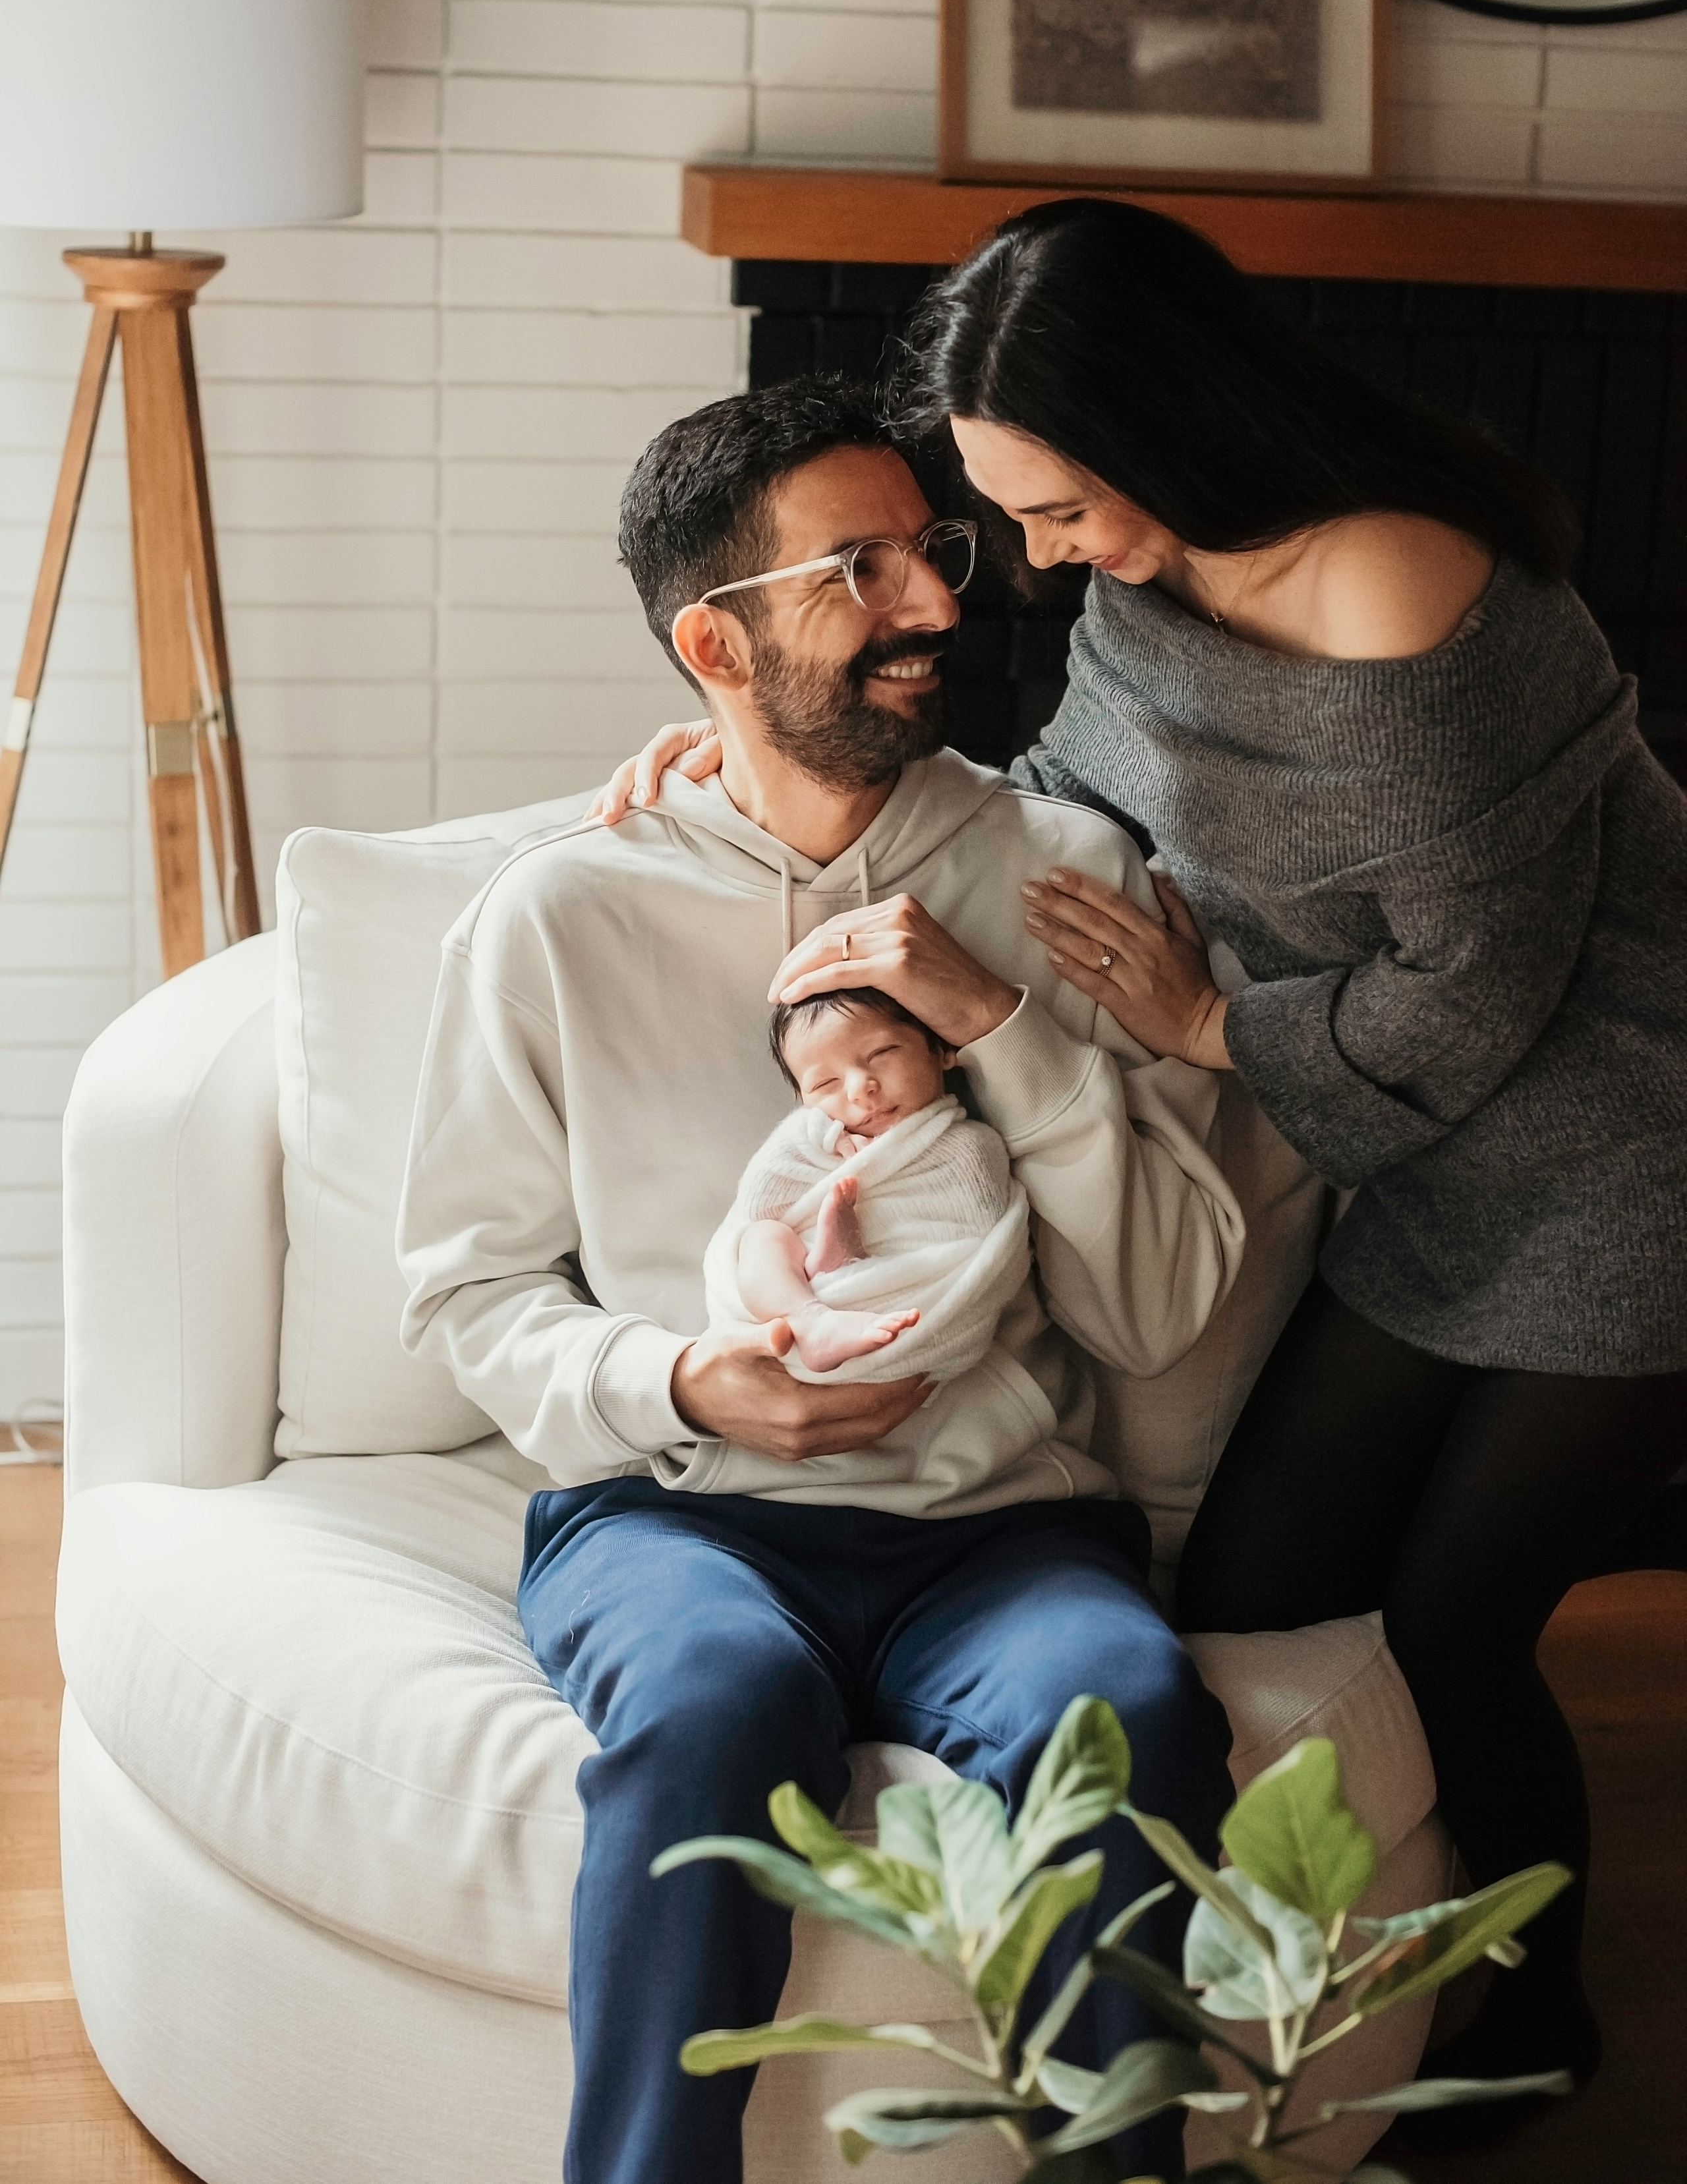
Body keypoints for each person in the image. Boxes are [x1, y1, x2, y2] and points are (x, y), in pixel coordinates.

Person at [602, 200, 1687, 2155]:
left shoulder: (1421, 607)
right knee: (1256, 1585)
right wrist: (726, 741)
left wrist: (1201, 1036)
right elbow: (1071, 793)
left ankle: (1526, 2044)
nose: (1037, 561)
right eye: (1011, 517)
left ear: (1178, 430)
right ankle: (1254, 2030)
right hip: (1420, 1177)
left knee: (1447, 1634)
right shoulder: (1153, 571)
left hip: (1623, 1159)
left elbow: (1468, 1004)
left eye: (1062, 508)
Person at [396, 374, 1247, 2184]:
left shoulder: (1066, 875)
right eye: (859, 571)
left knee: (1134, 1711)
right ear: (715, 641)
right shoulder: (560, 910)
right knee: (708, 1707)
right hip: (679, 1520)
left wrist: (1001, 1027)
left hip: (1002, 1530)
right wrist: (687, 1386)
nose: (940, 603)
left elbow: (1164, 1310)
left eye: (930, 551)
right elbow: (469, 1292)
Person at [708, 985, 1027, 1381]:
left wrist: (876, 1264)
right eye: (826, 1084)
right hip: (802, 1298)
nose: (861, 1088)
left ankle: (843, 1263)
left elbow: (982, 1231)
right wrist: (816, 1136)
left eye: (881, 1054)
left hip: (911, 1290)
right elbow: (760, 1204)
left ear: (941, 1049)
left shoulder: (969, 1144)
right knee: (762, 1238)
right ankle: (811, 1317)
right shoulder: (813, 1142)